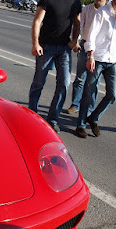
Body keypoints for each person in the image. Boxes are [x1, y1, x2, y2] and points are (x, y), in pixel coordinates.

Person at [28, 0, 81, 133]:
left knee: (64, 84)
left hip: (64, 49)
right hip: (46, 47)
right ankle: (32, 116)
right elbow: (37, 21)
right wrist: (35, 44)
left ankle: (53, 119)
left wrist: (74, 41)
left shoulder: (76, 2)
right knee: (38, 83)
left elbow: (77, 23)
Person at [75, 0, 116, 138]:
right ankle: (80, 125)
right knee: (89, 91)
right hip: (97, 58)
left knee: (112, 94)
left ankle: (93, 118)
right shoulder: (102, 13)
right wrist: (90, 55)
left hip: (112, 60)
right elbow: (91, 35)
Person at [67, 0, 108, 115]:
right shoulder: (87, 9)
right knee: (80, 77)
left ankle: (89, 110)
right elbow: (79, 25)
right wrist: (76, 41)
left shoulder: (109, 12)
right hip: (85, 46)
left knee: (94, 81)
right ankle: (75, 104)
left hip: (100, 50)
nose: (97, 1)